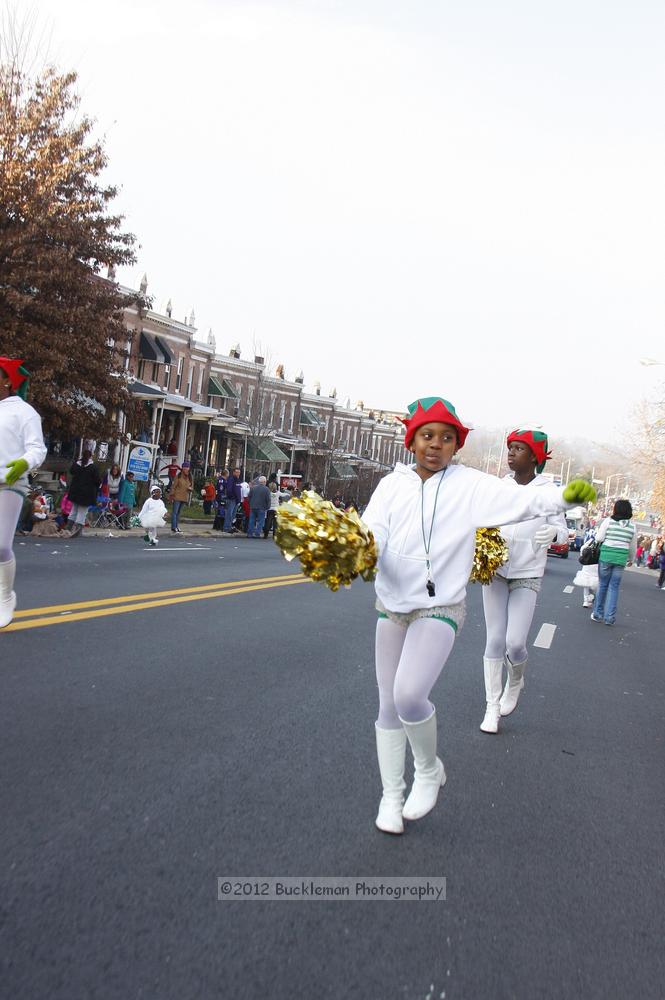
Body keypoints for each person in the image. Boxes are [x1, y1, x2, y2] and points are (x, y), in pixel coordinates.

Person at [360, 396, 595, 835]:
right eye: (427, 436)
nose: (436, 445)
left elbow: (519, 502)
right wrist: (361, 547)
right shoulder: (392, 486)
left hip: (439, 607)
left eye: (446, 438)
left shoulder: (468, 485)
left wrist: (564, 499)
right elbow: (374, 529)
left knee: (410, 695)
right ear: (412, 440)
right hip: (390, 605)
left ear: (456, 446)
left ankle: (427, 770)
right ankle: (391, 796)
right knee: (387, 704)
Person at [479, 429, 569, 733]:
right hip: (495, 570)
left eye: (518, 449)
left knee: (514, 642)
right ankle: (491, 708)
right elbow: (482, 516)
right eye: (510, 448)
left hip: (528, 573)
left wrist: (555, 533)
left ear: (534, 456)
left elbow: (564, 531)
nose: (511, 453)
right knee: (494, 639)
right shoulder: (499, 487)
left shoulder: (548, 490)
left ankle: (515, 680)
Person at [0, 357, 47, 627]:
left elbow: (37, 449)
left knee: (1, 545)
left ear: (8, 380)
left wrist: (24, 464)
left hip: (10, 481)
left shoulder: (24, 411)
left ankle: (5, 596)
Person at [590, 500, 636, 625]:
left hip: (606, 557)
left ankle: (598, 614)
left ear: (615, 509)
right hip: (620, 560)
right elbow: (633, 546)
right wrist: (631, 559)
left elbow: (599, 538)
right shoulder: (632, 526)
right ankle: (610, 618)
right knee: (614, 587)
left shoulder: (608, 521)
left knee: (603, 585)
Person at [67, 448, 101, 537]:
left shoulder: (76, 464)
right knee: (82, 512)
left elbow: (71, 471)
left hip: (75, 491)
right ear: (91, 456)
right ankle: (77, 531)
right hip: (86, 493)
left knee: (73, 510)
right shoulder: (93, 467)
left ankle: (68, 528)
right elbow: (97, 481)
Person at [573, 523, 599, 608]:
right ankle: (591, 598)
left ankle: (585, 601)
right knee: (594, 585)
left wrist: (584, 556)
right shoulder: (602, 544)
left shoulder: (590, 541)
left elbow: (582, 549)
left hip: (587, 565)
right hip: (597, 565)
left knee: (586, 584)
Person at [169, 461, 193, 532]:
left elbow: (191, 486)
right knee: (175, 512)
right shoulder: (178, 476)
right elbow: (173, 487)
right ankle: (174, 527)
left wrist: (190, 489)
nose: (186, 469)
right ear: (182, 468)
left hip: (185, 496)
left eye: (187, 467)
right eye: (184, 467)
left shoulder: (190, 477)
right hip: (177, 496)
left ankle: (177, 526)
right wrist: (172, 495)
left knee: (179, 513)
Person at [223, 467, 242, 533]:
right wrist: (232, 497)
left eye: (239, 472)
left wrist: (238, 499)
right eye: (236, 472)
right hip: (232, 500)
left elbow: (238, 490)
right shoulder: (231, 479)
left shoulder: (238, 480)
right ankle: (226, 528)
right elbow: (229, 490)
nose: (238, 474)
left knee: (233, 515)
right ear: (233, 472)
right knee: (229, 514)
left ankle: (230, 526)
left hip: (236, 500)